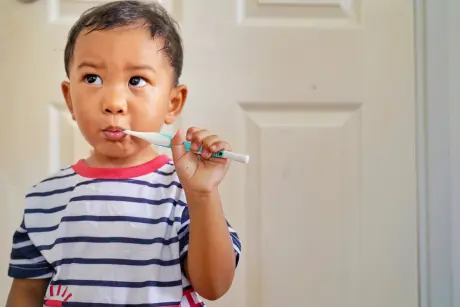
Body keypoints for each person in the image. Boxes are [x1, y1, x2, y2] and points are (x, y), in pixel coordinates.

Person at [5, 1, 241, 306]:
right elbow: (25, 294)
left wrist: (204, 195)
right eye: (92, 79)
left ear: (173, 103)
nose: (114, 102)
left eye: (136, 81)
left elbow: (214, 286)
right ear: (70, 99)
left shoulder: (184, 194)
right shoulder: (44, 199)